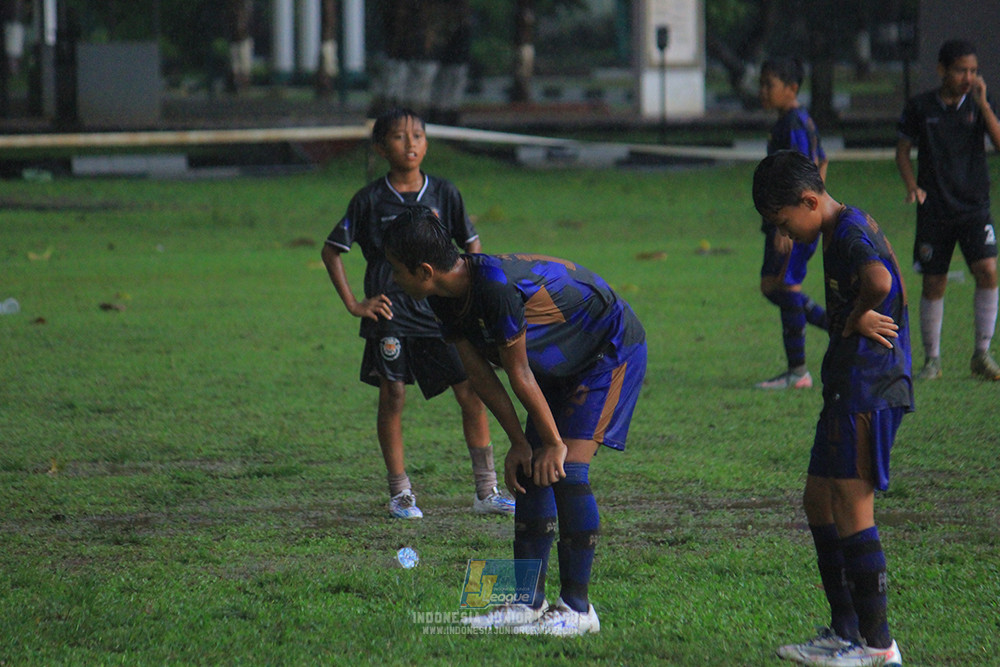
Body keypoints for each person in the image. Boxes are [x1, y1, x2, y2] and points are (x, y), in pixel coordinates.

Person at [382, 207, 647, 636]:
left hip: (607, 351)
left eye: (396, 271)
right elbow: (480, 374)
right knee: (530, 470)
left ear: (425, 270)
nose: (393, 281)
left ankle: (579, 610)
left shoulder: (494, 288)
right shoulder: (442, 296)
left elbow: (520, 374)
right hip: (560, 362)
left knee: (567, 471)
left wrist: (553, 443)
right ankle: (526, 603)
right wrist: (518, 443)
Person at [753, 150, 912, 667]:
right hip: (848, 384)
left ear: (808, 200)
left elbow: (883, 283)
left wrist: (857, 317)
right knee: (818, 500)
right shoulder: (844, 223)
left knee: (850, 504)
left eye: (783, 222)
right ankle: (844, 630)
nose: (784, 235)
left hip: (869, 385)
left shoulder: (846, 231)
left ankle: (878, 646)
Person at [320, 108, 514, 519]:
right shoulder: (370, 199)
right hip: (390, 315)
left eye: (418, 136)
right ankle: (401, 493)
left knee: (470, 391)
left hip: (440, 315)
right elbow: (332, 250)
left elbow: (472, 246)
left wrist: (469, 298)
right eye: (398, 137)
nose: (410, 144)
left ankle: (486, 490)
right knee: (393, 395)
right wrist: (355, 303)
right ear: (380, 146)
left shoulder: (445, 193)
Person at [896, 39, 1000, 381]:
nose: (968, 77)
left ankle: (982, 353)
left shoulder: (978, 105)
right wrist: (912, 185)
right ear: (942, 70)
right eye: (960, 70)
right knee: (934, 280)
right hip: (935, 208)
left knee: (987, 269)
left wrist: (984, 107)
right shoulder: (920, 107)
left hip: (974, 207)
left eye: (973, 70)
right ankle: (933, 361)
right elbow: (902, 150)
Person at [755, 57, 830, 390]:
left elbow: (801, 174)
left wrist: (792, 223)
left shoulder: (794, 124)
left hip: (792, 225)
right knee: (772, 287)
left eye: (768, 85)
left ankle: (798, 371)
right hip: (789, 220)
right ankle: (838, 325)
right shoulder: (792, 120)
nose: (762, 91)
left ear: (792, 88)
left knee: (785, 288)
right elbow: (822, 162)